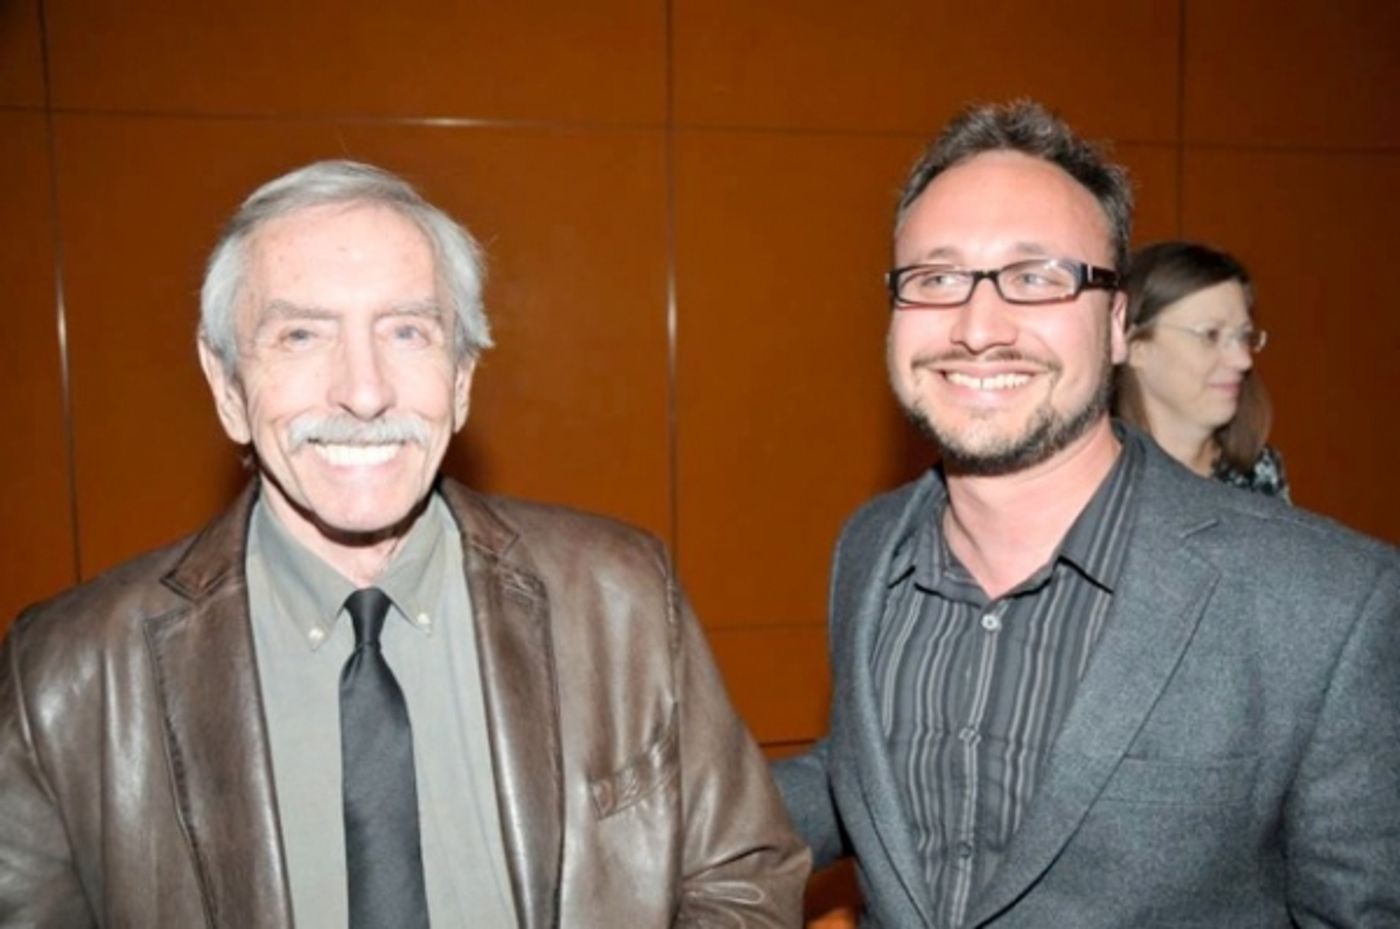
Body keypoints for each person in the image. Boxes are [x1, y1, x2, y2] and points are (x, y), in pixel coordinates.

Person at [0, 160, 807, 928]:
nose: (364, 390)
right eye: (302, 335)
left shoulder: (622, 595)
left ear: (461, 377)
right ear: (227, 385)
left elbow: (744, 877)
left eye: (408, 332)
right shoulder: (63, 678)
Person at [774, 100, 1400, 928]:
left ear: (1115, 325)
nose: (977, 327)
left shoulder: (1331, 605)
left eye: (1037, 277)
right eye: (935, 279)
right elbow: (866, 770)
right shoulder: (871, 545)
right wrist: (647, 829)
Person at [1115, 240, 1289, 499]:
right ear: (1136, 349)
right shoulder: (1093, 483)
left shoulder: (1260, 475)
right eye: (1210, 335)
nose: (1243, 360)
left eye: (1244, 336)